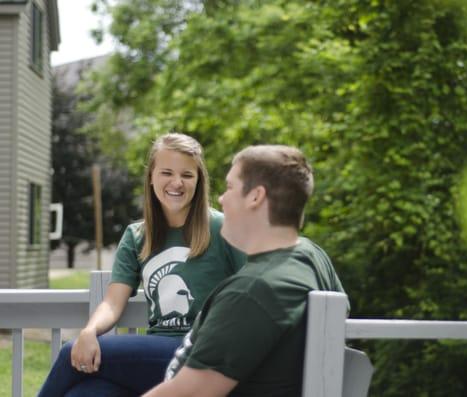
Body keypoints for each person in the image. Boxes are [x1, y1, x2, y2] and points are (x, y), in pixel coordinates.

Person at [38, 133, 245, 397]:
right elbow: (113, 303)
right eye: (167, 172)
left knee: (70, 353)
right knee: (86, 393)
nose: (177, 183)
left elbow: (254, 286)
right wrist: (90, 331)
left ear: (199, 180)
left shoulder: (224, 228)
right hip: (158, 357)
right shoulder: (137, 236)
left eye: (187, 175)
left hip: (203, 353)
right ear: (151, 177)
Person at [143, 144, 346, 397]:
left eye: (229, 188)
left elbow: (190, 394)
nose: (221, 198)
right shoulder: (310, 255)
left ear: (255, 197)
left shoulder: (252, 291)